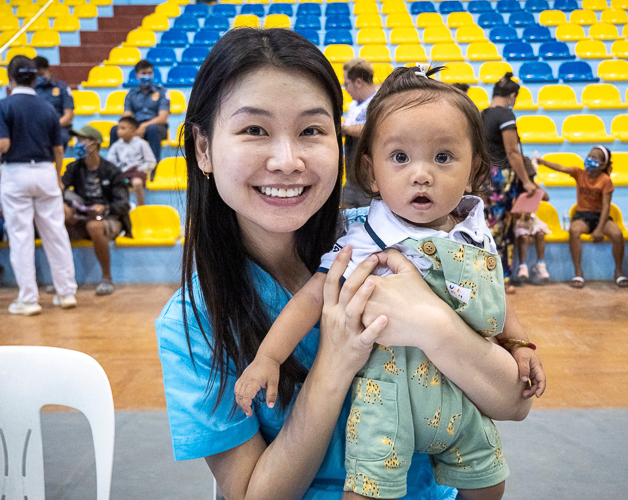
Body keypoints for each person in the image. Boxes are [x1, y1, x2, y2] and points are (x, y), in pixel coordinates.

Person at [156, 29, 535, 500]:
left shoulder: (399, 234)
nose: (287, 160)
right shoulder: (192, 323)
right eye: (254, 129)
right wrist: (334, 361)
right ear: (204, 149)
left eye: (312, 130)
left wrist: (435, 325)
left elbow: (514, 403)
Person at [0, 56, 77, 315]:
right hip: (46, 171)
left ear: (10, 78)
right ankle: (66, 293)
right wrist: (56, 175)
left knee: (21, 237)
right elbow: (58, 148)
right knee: (55, 234)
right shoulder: (47, 108)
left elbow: (3, 145)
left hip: (15, 172)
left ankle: (29, 299)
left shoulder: (4, 106)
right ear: (35, 78)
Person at [536, 146, 628, 288]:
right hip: (582, 215)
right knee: (574, 231)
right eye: (589, 156)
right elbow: (560, 168)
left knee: (617, 234)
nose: (590, 159)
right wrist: (542, 162)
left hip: (601, 216)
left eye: (595, 157)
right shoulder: (579, 173)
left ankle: (618, 271)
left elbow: (606, 208)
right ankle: (578, 273)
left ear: (604, 164)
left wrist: (599, 229)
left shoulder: (605, 180)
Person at [481, 73, 539, 293]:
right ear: (512, 96)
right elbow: (512, 152)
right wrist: (527, 181)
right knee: (500, 229)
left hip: (483, 175)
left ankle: (493, 276)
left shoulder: (481, 114)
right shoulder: (505, 115)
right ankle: (499, 278)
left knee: (489, 226)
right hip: (500, 178)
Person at [62, 125, 132, 296]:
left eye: (82, 141)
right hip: (82, 217)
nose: (78, 144)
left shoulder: (112, 171)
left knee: (95, 226)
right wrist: (64, 206)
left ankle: (107, 278)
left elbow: (123, 203)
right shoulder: (74, 168)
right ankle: (63, 280)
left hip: (110, 218)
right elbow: (59, 189)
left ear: (95, 144)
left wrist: (104, 208)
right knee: (57, 219)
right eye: (77, 140)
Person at [109, 60, 169, 164]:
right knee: (115, 130)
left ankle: (153, 167)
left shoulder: (162, 92)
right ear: (137, 75)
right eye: (144, 73)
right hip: (136, 127)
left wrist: (144, 126)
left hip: (156, 127)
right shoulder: (131, 94)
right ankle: (113, 167)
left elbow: (162, 118)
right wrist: (130, 128)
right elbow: (127, 114)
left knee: (152, 129)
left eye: (149, 73)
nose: (147, 76)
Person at [341, 58, 376, 209]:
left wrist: (346, 129)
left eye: (347, 83)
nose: (346, 88)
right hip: (352, 179)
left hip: (369, 183)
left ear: (358, 82)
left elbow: (374, 129)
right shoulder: (355, 105)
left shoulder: (379, 102)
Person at [515, 156, 551, 284]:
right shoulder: (515, 187)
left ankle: (540, 264)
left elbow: (546, 197)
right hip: (519, 220)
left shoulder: (532, 186)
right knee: (523, 236)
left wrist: (535, 187)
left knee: (541, 234)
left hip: (531, 220)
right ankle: (522, 266)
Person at [107, 116, 156, 206]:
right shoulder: (116, 145)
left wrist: (142, 169)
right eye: (118, 129)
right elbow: (110, 161)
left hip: (136, 171)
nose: (119, 131)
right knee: (112, 183)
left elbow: (151, 161)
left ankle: (140, 207)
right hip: (122, 172)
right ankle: (119, 207)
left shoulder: (141, 143)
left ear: (133, 131)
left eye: (123, 128)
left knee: (137, 183)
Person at [33, 56, 74, 150]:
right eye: (36, 74)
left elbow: (69, 116)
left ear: (47, 69)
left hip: (58, 128)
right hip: (35, 129)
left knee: (59, 138)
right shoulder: (30, 89)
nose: (39, 77)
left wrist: (52, 126)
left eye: (41, 73)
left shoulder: (62, 87)